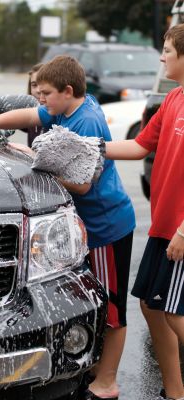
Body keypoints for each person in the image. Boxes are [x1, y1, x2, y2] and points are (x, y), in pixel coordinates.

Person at [0, 55, 136, 400]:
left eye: (44, 93)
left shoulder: (86, 122)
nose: (39, 99)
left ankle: (108, 381)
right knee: (93, 299)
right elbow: (29, 115)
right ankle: (96, 368)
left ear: (67, 90)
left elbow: (83, 183)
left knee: (112, 306)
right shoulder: (67, 107)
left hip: (108, 227)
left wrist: (30, 162)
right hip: (91, 227)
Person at [104, 24, 184, 400]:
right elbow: (138, 145)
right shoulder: (172, 100)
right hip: (162, 227)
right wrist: (86, 147)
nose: (162, 56)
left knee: (175, 314)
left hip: (182, 231)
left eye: (167, 49)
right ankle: (174, 392)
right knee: (151, 307)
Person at [26, 62, 44, 147]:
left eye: (43, 84)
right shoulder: (32, 109)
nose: (38, 90)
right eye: (34, 85)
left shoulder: (58, 116)